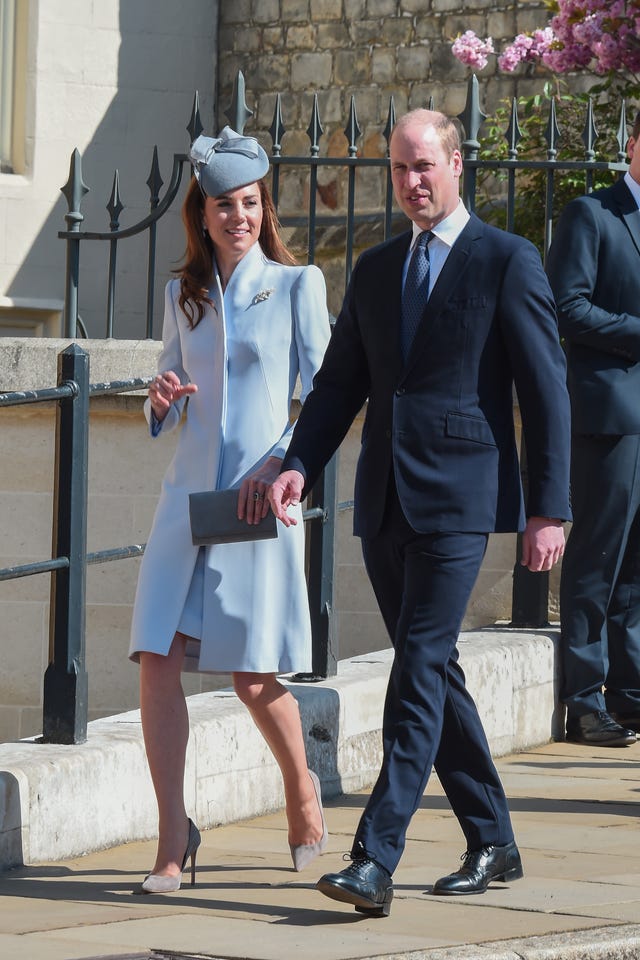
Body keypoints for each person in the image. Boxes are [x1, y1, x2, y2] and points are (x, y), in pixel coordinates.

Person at [268, 109, 571, 917]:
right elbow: (338, 386)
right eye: (400, 170)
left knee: (415, 672)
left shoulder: (508, 260)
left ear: (457, 164)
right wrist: (300, 463)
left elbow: (546, 394)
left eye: (424, 166)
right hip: (385, 503)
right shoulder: (373, 271)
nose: (412, 183)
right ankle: (494, 838)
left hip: (461, 501)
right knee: (434, 671)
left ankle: (375, 857)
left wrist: (550, 509)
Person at [129, 126, 331, 893]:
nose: (237, 216)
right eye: (224, 205)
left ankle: (301, 787)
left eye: (248, 203)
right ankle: (173, 839)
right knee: (157, 659)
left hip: (257, 496)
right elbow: (168, 395)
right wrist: (159, 400)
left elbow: (326, 396)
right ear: (202, 213)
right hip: (186, 503)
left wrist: (284, 459)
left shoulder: (296, 285)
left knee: (253, 678)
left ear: (262, 207)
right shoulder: (183, 295)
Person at [546, 109, 640, 748]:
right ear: (633, 144)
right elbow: (567, 306)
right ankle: (583, 701)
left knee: (637, 566)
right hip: (611, 416)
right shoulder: (593, 214)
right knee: (598, 557)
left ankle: (631, 696)